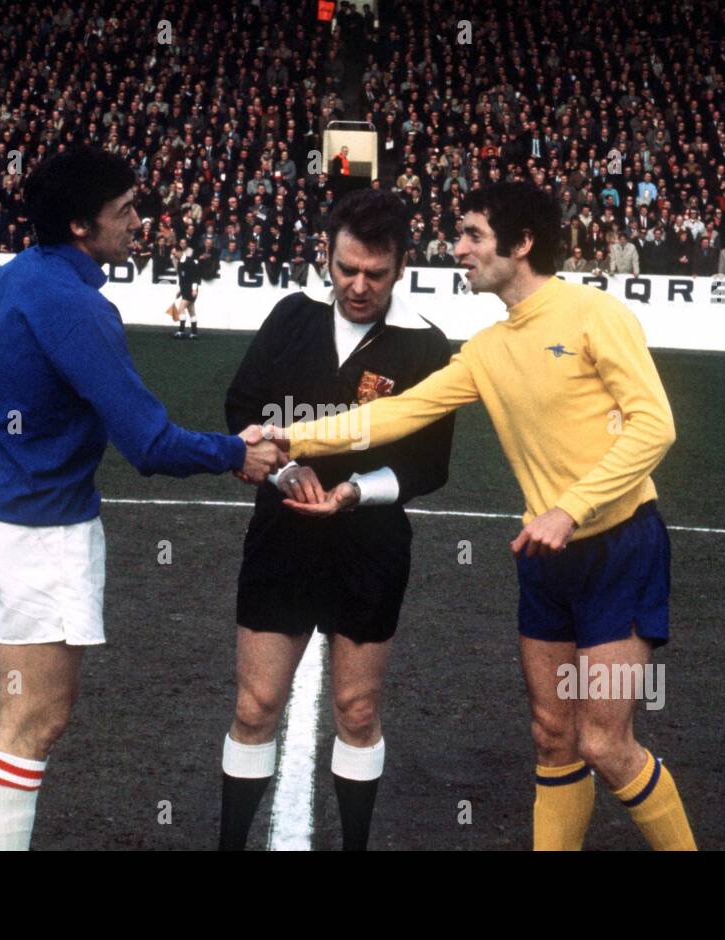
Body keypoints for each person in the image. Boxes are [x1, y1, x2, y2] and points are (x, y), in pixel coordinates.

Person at [275, 182, 696, 851]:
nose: (458, 247)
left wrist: (570, 508)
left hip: (621, 553)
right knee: (553, 738)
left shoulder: (594, 314)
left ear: (521, 243)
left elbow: (655, 427)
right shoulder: (488, 349)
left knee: (603, 742)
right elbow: (398, 412)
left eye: (472, 234)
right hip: (546, 561)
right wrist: (288, 440)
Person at [0, 146, 285, 851]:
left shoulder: (12, 276)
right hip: (41, 538)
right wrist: (238, 452)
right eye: (126, 210)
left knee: (17, 717)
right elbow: (149, 444)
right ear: (81, 225)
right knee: (32, 724)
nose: (140, 221)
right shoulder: (80, 308)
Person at [216, 189, 455, 851]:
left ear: (402, 267)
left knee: (356, 710)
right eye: (346, 268)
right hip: (282, 534)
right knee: (255, 706)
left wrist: (353, 493)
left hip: (370, 544)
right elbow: (242, 405)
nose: (358, 285)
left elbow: (431, 465)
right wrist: (287, 471)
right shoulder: (291, 317)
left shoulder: (427, 347)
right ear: (325, 254)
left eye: (375, 274)